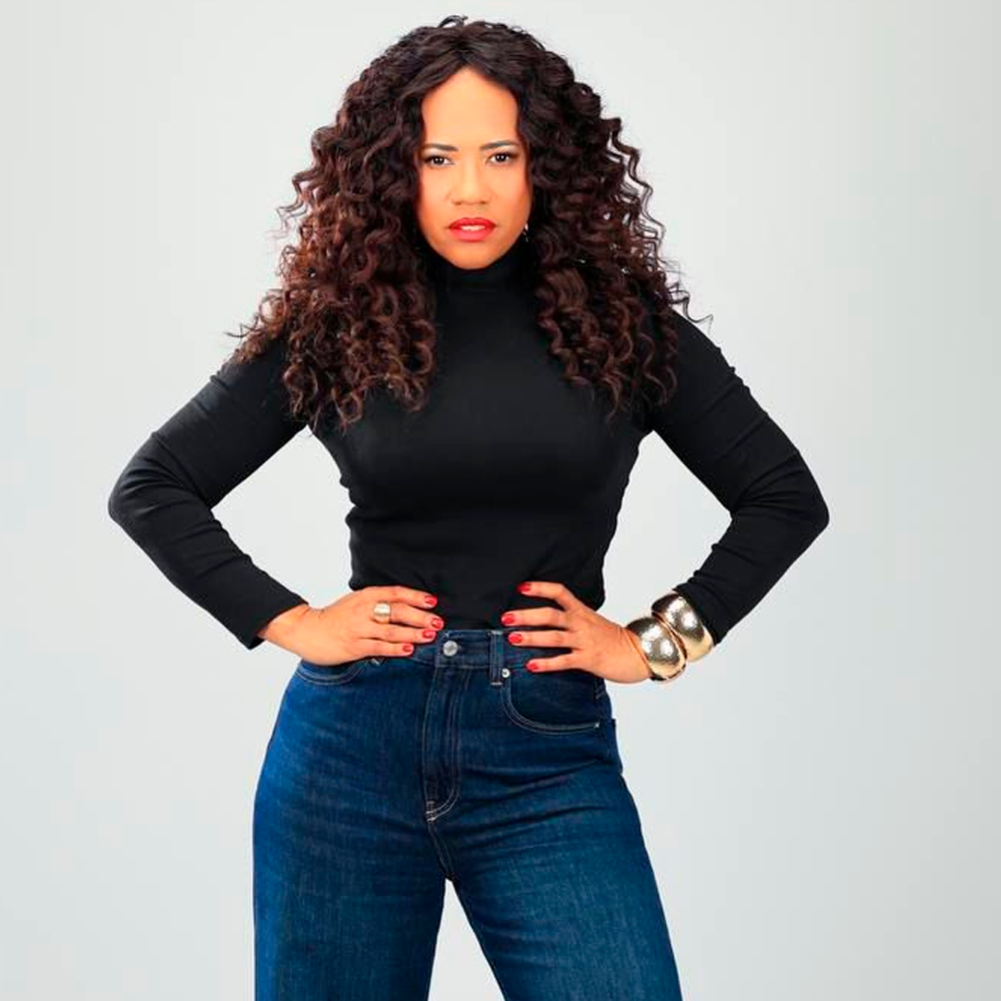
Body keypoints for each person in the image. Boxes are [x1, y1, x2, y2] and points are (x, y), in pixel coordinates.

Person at [107, 16, 829, 1001]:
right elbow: (153, 485)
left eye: (500, 154)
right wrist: (296, 621)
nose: (469, 190)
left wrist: (653, 644)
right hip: (348, 752)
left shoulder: (624, 325)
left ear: (546, 167)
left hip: (545, 755)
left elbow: (782, 497)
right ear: (391, 170)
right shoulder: (336, 323)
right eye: (436, 157)